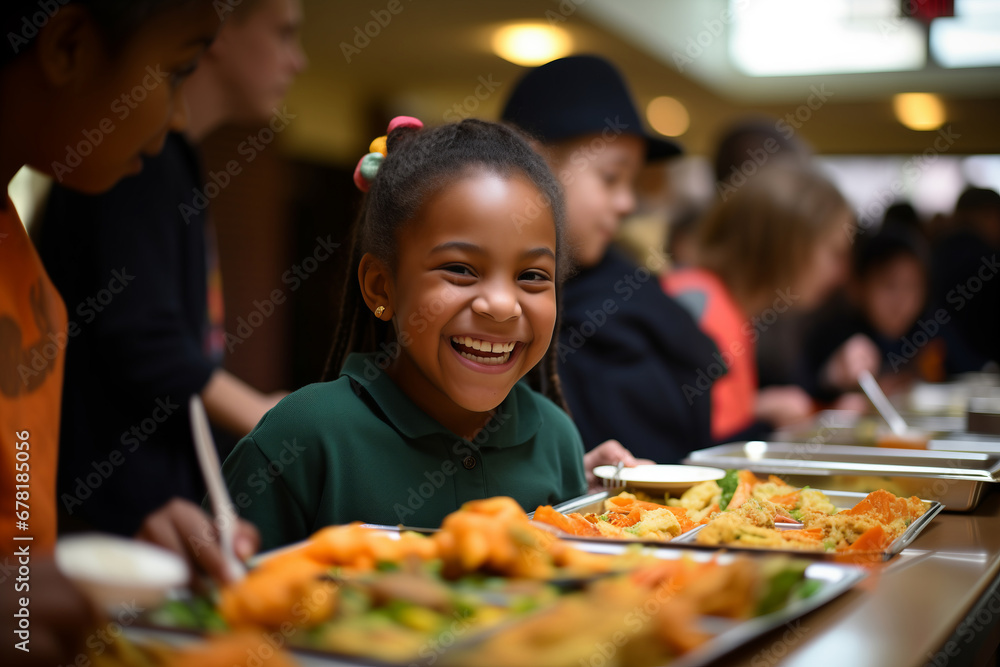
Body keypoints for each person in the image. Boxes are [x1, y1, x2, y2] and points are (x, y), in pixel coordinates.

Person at [220, 117, 644, 551]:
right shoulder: (303, 437)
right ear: (381, 287)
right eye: (460, 269)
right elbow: (210, 602)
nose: (501, 305)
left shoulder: (556, 438)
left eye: (532, 275)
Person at [0, 2, 258, 664]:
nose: (178, 116)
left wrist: (94, 554)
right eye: (177, 71)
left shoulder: (22, 262)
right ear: (68, 48)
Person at [35, 0, 306, 537]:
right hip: (103, 514)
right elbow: (144, 339)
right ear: (220, 29)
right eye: (284, 34)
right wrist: (264, 416)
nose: (298, 61)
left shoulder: (164, 154)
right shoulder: (133, 155)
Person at [500, 55, 720, 463]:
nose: (627, 202)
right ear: (533, 165)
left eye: (631, 182)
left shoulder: (612, 313)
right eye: (610, 177)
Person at [662, 166, 854, 443]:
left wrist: (759, 408)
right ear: (788, 246)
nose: (841, 274)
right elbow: (693, 445)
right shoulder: (700, 305)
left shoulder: (725, 305)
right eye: (834, 253)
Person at [806, 223, 941, 399]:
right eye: (889, 285)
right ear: (857, 287)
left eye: (912, 287)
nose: (901, 301)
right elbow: (810, 391)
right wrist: (832, 375)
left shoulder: (929, 330)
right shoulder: (838, 338)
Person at [931, 187, 1000, 373]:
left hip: (939, 363)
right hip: (984, 366)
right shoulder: (989, 259)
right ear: (987, 215)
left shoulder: (933, 252)